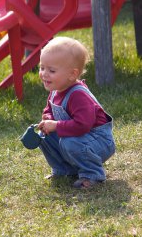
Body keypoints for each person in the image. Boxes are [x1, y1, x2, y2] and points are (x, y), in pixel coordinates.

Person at [37, 36, 115, 189]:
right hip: (80, 139)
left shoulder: (78, 95)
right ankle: (64, 170)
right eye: (42, 68)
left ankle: (92, 174)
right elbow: (49, 110)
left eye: (51, 70)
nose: (44, 74)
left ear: (72, 74)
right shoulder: (56, 90)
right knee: (43, 137)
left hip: (98, 141)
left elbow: (82, 125)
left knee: (69, 141)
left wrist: (56, 126)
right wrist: (47, 120)